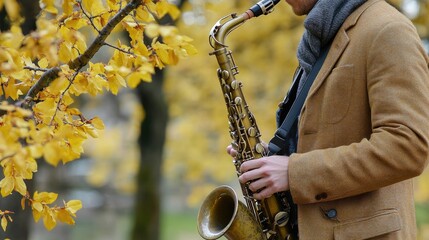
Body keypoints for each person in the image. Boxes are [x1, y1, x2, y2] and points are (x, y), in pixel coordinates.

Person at [227, 0, 429, 239]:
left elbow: (407, 147)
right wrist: (267, 161)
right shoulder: (322, 37)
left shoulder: (388, 29)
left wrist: (294, 173)